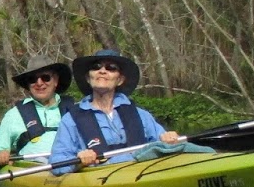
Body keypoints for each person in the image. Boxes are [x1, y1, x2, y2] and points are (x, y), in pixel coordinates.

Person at [49, 49, 184, 173]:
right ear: (88, 78)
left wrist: (169, 138)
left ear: (120, 80)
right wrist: (79, 161)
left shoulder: (140, 115)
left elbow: (163, 143)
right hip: (100, 179)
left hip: (141, 172)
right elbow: (56, 162)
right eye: (96, 67)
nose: (102, 71)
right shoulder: (71, 120)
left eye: (111, 68)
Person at [0, 58, 75, 165]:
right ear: (28, 84)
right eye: (33, 79)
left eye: (45, 78)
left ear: (55, 81)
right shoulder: (14, 115)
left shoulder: (75, 110)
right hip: (31, 172)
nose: (39, 83)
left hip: (71, 168)